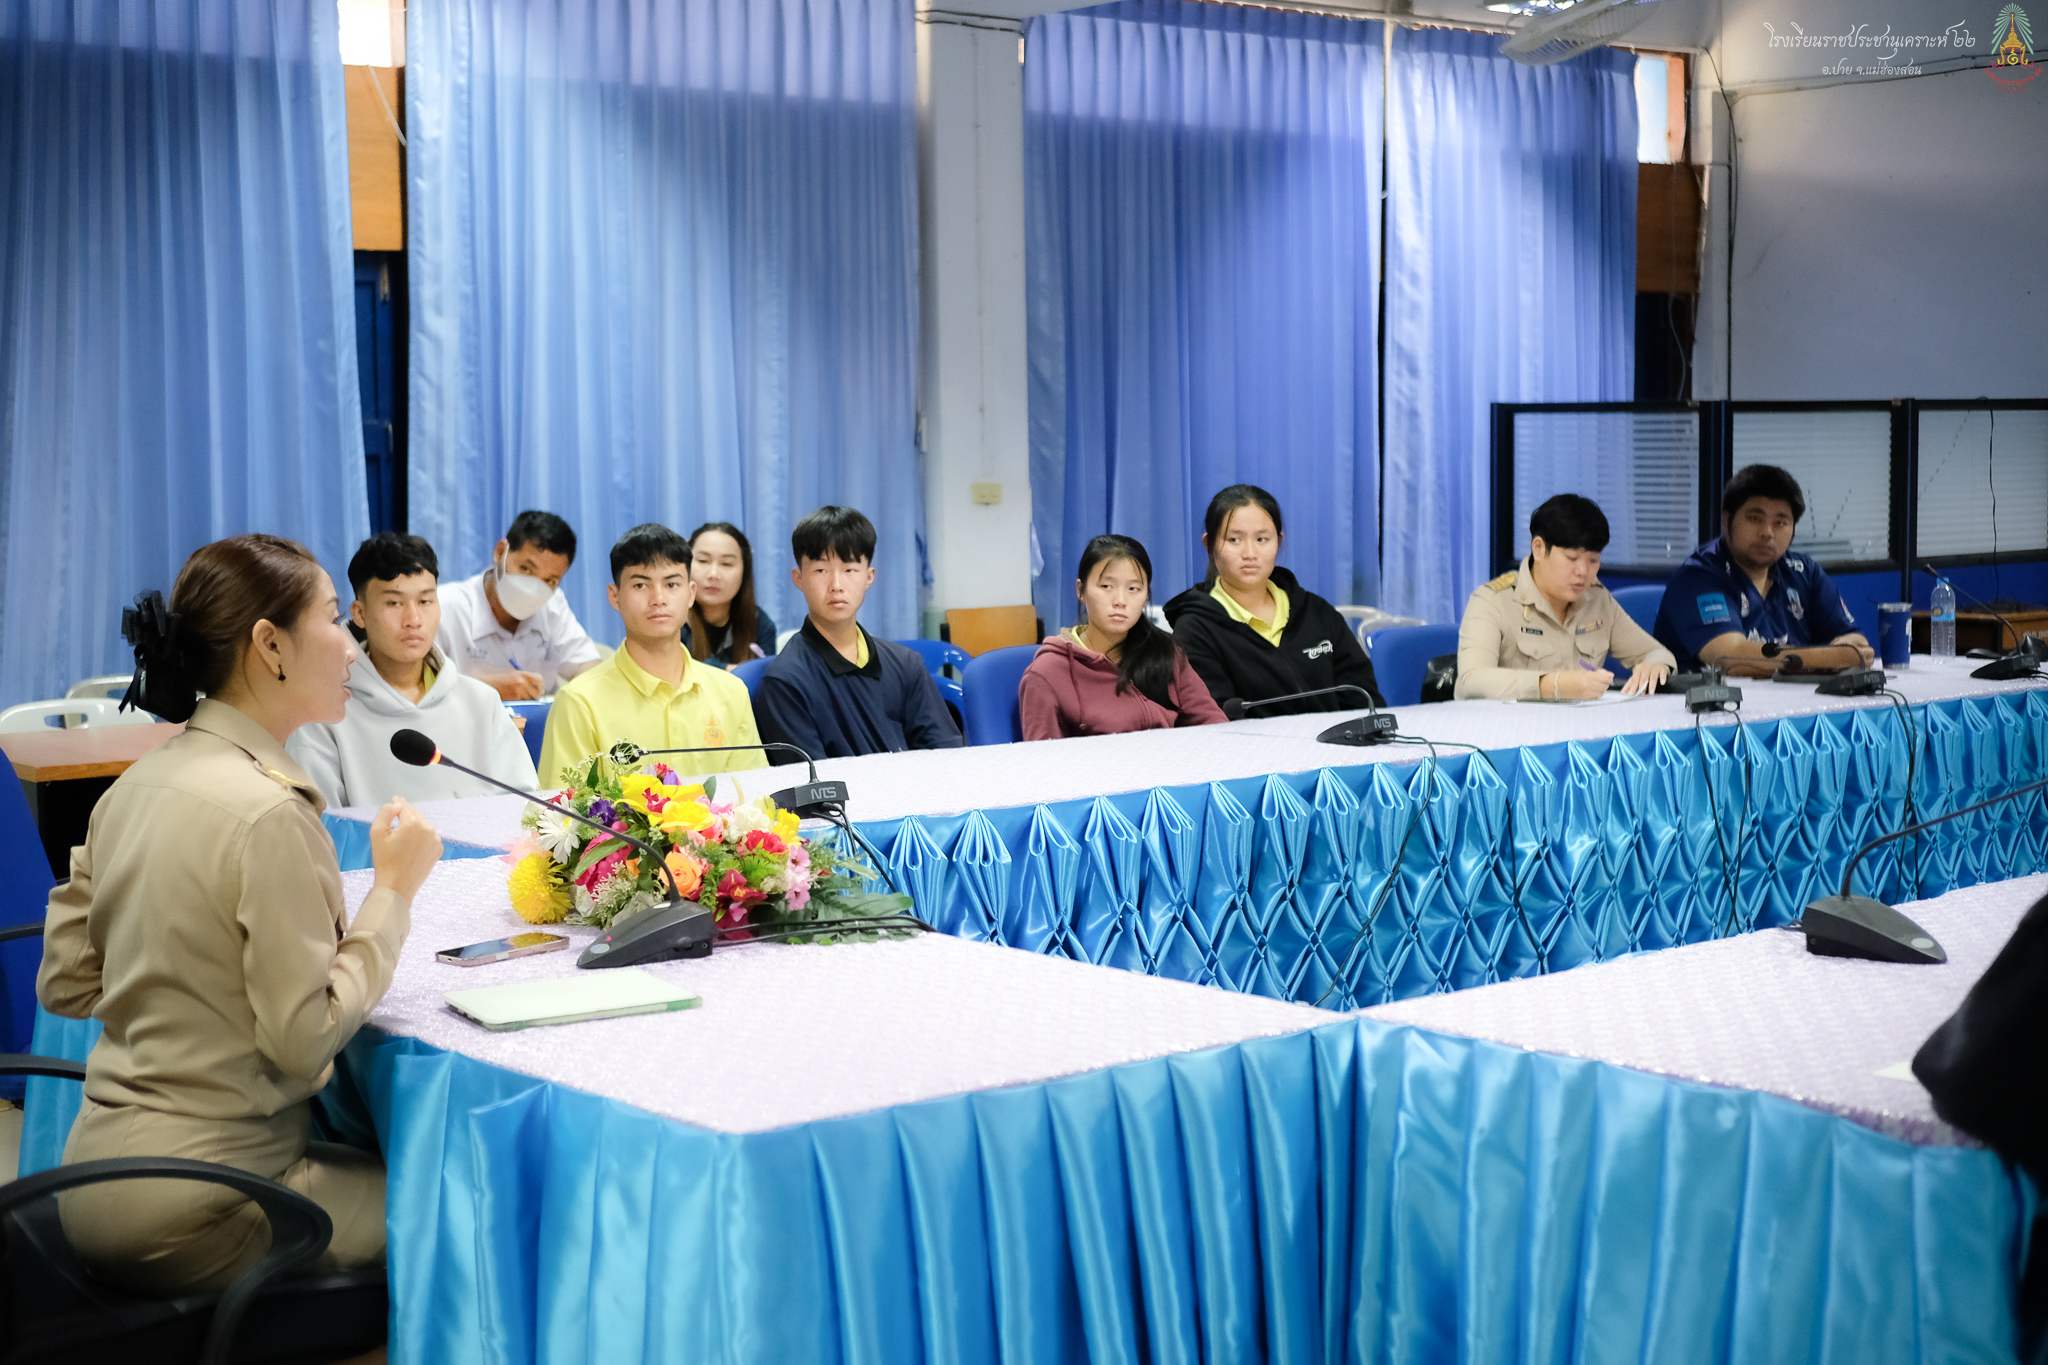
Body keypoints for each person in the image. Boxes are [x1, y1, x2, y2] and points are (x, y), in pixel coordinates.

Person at [38, 534, 443, 1294]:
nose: (350, 644)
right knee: (467, 1204)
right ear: (270, 645)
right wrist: (392, 892)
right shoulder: (269, 813)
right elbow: (304, 1038)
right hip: (213, 1201)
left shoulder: (131, 785)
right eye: (334, 618)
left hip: (89, 1181)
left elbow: (65, 983)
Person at [288, 532, 538, 806]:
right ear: (360, 613)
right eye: (394, 603)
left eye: (425, 601)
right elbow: (318, 824)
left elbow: (525, 807)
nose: (413, 619)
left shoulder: (481, 702)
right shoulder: (322, 716)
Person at [537, 523, 762, 782]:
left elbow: (754, 795)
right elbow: (564, 806)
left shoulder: (731, 692)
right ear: (614, 596)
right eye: (640, 586)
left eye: (672, 584)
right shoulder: (579, 703)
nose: (658, 598)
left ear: (691, 594)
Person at [754, 506, 963, 758]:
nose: (836, 585)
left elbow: (946, 755)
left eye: (849, 569)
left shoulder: (906, 664)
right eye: (820, 570)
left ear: (869, 577)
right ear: (798, 578)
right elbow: (810, 779)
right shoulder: (785, 682)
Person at [1162, 484, 1384, 716]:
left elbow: (1366, 700)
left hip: (1337, 739)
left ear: (1279, 541)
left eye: (1262, 539)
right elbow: (1213, 718)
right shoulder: (1194, 630)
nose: (1250, 553)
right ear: (1209, 545)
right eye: (1234, 540)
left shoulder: (1317, 613)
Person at [1653, 464, 1875, 675]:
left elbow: (1855, 643)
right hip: (1713, 702)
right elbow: (1732, 659)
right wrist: (1833, 658)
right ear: (1727, 520)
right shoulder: (1698, 576)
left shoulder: (1804, 572)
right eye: (1754, 518)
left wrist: (1848, 650)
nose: (1767, 532)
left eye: (1780, 522)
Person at [1455, 494, 1676, 700]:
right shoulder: (1493, 601)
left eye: (1593, 561)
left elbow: (1657, 653)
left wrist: (1654, 665)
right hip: (1512, 726)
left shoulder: (1597, 600)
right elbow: (1470, 682)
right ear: (1539, 549)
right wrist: (1551, 685)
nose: (1583, 572)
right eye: (1572, 558)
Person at [1019, 534, 1225, 740]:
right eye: (1106, 586)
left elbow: (1215, 727)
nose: (1120, 601)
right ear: (1080, 590)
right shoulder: (1047, 673)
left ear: (1146, 596)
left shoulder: (1164, 652)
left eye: (1133, 589)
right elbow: (1043, 757)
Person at [436, 510, 604, 700]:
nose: (534, 590)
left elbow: (589, 668)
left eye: (550, 581)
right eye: (526, 569)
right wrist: (486, 689)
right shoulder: (445, 606)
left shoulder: (553, 604)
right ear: (500, 552)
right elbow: (418, 690)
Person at [683, 521, 779, 667]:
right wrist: (727, 671)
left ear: (744, 572)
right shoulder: (670, 619)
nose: (713, 574)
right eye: (703, 561)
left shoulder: (759, 624)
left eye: (726, 563)